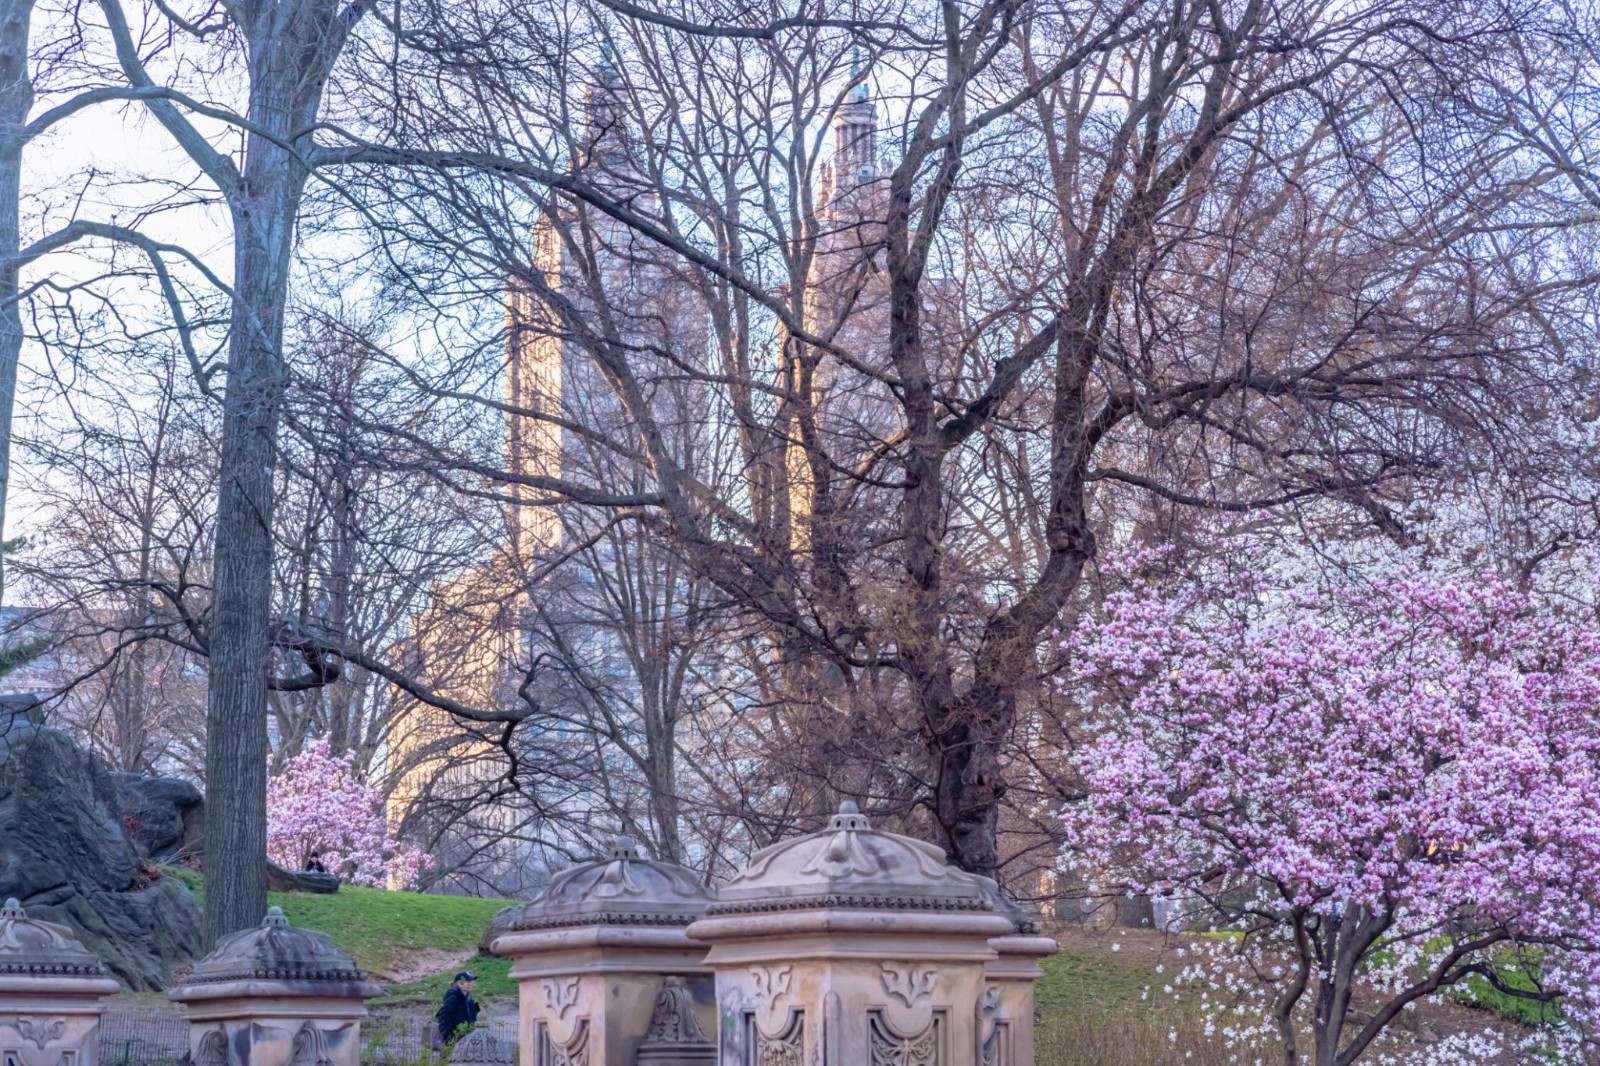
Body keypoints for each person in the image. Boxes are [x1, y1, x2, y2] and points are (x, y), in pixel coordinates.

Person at [435, 971, 480, 1046]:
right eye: (467, 981)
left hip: (467, 1040)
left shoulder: (469, 999)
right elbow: (443, 1017)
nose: (470, 984)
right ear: (459, 983)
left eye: (471, 981)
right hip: (455, 1042)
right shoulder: (453, 998)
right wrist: (450, 1038)